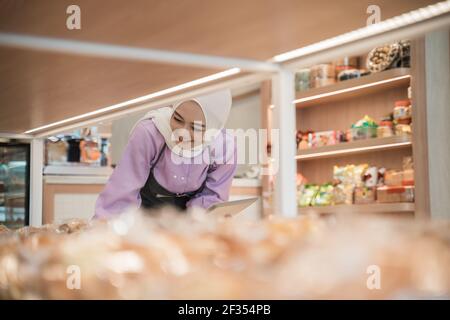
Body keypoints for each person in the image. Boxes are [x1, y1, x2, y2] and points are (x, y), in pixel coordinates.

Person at [94, 89, 237, 218]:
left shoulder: (224, 146)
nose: (182, 134)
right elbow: (122, 191)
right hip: (143, 222)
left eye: (196, 127)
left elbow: (213, 198)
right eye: (177, 119)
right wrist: (105, 232)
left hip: (190, 227)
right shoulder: (150, 133)